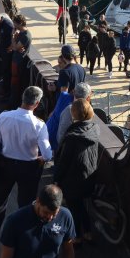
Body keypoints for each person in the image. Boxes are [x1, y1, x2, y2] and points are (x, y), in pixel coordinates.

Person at [0, 86, 53, 243]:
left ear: (23, 98)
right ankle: (23, 234)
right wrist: (42, 158)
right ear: (37, 104)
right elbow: (48, 154)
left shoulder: (4, 117)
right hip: (29, 168)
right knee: (26, 203)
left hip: (5, 165)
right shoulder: (39, 125)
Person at [54, 99, 99, 244]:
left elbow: (64, 162)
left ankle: (77, 236)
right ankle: (88, 231)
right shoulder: (94, 129)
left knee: (74, 208)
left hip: (73, 180)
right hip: (89, 175)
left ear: (74, 114)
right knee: (81, 205)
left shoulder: (72, 137)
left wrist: (56, 180)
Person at [0, 184, 75, 258]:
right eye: (46, 212)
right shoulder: (14, 221)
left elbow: (68, 250)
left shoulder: (65, 216)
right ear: (38, 201)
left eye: (54, 214)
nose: (50, 217)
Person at [46, 45, 85, 151]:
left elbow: (63, 95)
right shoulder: (81, 68)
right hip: (78, 105)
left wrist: (54, 112)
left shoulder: (65, 72)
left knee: (57, 133)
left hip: (66, 109)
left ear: (63, 56)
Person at [56, 82, 91, 146]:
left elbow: (61, 135)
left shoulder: (69, 110)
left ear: (74, 92)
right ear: (88, 97)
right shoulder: (89, 110)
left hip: (69, 149)